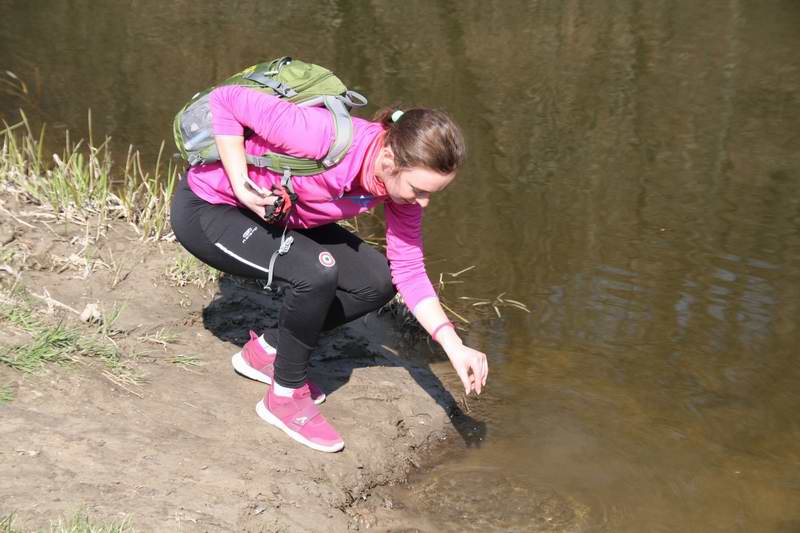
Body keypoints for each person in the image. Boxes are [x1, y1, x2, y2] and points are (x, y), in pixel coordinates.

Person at [170, 84, 488, 453]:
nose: (424, 202)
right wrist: (242, 185)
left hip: (277, 216)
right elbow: (226, 99)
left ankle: (267, 353)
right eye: (419, 190)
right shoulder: (320, 135)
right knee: (316, 272)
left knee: (377, 281)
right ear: (389, 160)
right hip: (211, 210)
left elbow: (409, 271)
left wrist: (454, 344)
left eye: (433, 193)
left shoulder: (398, 188)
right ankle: (285, 398)